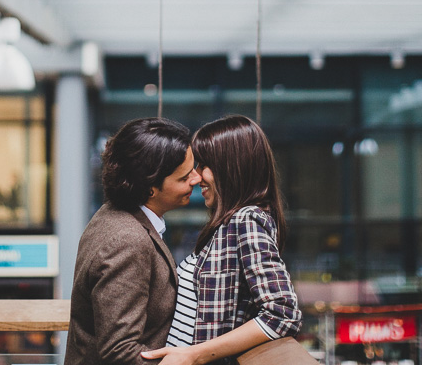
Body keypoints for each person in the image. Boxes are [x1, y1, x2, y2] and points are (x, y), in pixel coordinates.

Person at [141, 115, 302, 365]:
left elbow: (282, 313)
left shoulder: (246, 220)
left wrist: (194, 355)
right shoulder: (230, 224)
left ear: (230, 167)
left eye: (203, 165)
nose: (196, 177)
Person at [65, 117, 201, 365]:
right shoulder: (128, 240)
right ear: (150, 187)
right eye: (183, 178)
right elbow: (120, 349)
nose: (196, 179)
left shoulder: (112, 214)